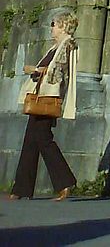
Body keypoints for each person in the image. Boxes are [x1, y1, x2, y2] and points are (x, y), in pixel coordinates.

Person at [8, 11, 78, 200]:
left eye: (54, 24)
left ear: (63, 25)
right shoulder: (55, 47)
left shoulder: (67, 44)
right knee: (32, 140)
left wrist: (37, 70)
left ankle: (64, 182)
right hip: (42, 96)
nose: (52, 28)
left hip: (49, 97)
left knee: (43, 140)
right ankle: (21, 189)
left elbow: (60, 71)